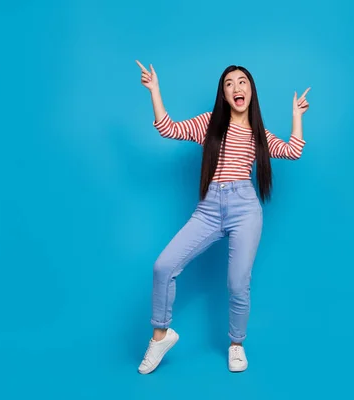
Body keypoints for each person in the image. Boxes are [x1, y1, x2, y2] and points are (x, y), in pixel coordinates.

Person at [134, 60, 310, 374]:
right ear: (224, 94)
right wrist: (154, 90)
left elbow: (292, 150)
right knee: (163, 266)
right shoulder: (209, 124)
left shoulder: (258, 135)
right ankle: (160, 335)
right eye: (228, 83)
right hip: (209, 208)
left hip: (245, 209)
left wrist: (297, 117)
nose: (236, 87)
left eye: (241, 81)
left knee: (237, 283)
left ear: (251, 90)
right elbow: (167, 128)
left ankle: (236, 344)